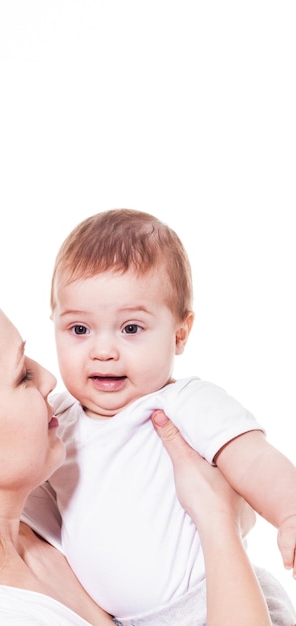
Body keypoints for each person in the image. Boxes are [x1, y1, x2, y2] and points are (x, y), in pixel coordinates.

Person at [0, 258, 278, 626]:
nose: (51, 380)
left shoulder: (43, 519)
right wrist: (217, 523)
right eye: (22, 377)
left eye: (30, 358)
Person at [23, 208, 296, 625]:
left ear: (180, 334)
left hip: (214, 599)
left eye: (131, 328)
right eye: (79, 329)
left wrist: (289, 513)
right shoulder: (58, 418)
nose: (103, 350)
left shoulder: (183, 404)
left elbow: (254, 459)